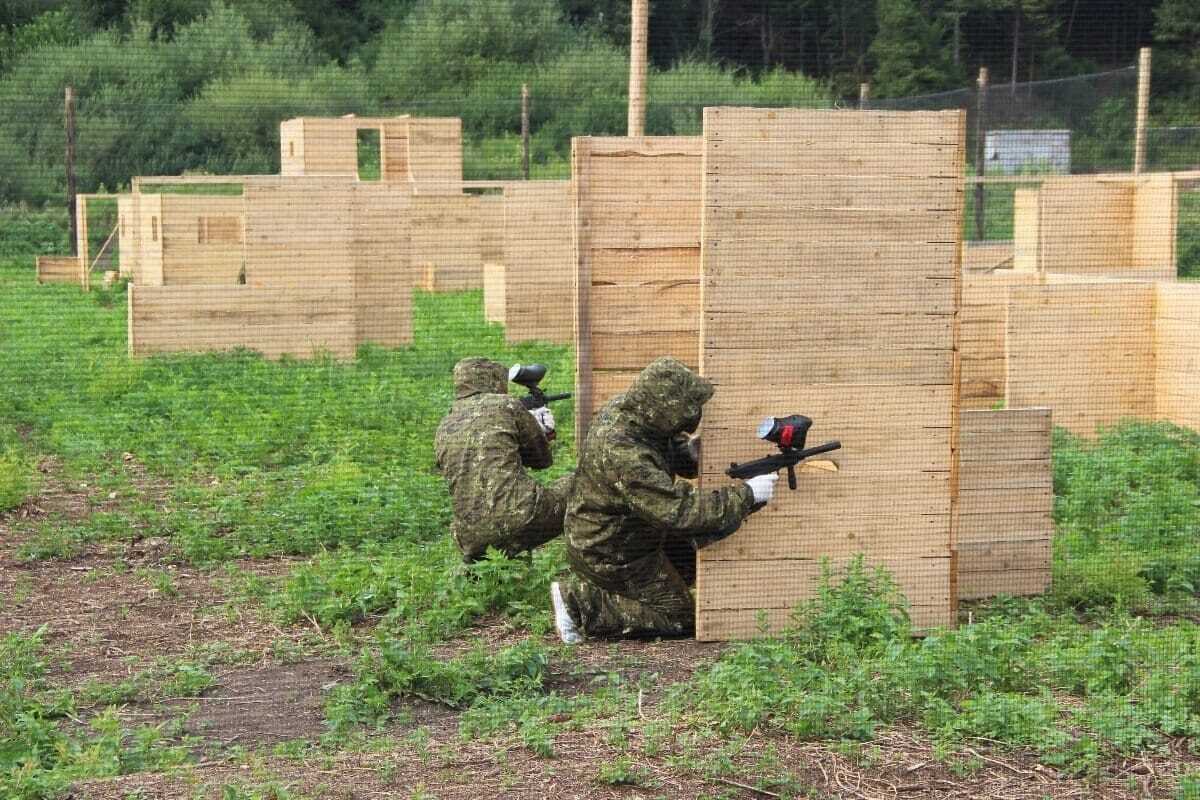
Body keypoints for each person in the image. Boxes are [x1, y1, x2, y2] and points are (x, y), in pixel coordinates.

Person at [549, 357, 778, 643]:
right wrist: (746, 495)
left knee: (700, 541)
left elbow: (660, 445)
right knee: (678, 618)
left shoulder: (635, 414)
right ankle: (579, 602)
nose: (692, 415)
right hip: (609, 552)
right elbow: (677, 511)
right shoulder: (623, 451)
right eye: (686, 409)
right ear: (665, 408)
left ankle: (648, 586)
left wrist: (688, 453)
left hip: (631, 533)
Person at [435, 357, 573, 563]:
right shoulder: (507, 405)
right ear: (495, 380)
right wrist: (543, 431)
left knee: (503, 521)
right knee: (582, 482)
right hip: (523, 518)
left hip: (468, 536)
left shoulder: (446, 422)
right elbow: (541, 461)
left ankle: (486, 573)